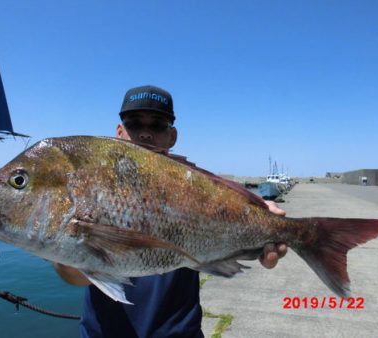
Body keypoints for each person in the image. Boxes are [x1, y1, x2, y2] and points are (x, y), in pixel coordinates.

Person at [54, 85, 287, 337]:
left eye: (157, 125)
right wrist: (64, 251)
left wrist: (266, 220)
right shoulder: (92, 188)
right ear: (119, 132)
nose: (145, 134)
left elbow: (233, 206)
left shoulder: (195, 189)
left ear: (172, 136)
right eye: (134, 124)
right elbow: (75, 276)